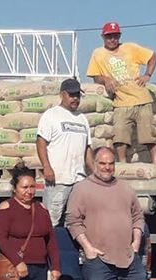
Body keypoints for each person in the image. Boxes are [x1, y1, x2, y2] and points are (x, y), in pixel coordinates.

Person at [65, 147, 147, 280]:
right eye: (102, 163)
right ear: (94, 164)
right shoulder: (82, 189)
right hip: (98, 257)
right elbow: (73, 221)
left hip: (127, 255)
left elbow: (138, 216)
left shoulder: (125, 188)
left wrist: (136, 239)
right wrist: (88, 247)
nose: (107, 167)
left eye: (110, 163)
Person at [86, 21, 156, 164]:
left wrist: (147, 75)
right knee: (119, 134)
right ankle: (122, 163)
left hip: (141, 98)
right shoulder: (98, 54)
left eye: (115, 36)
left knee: (148, 134)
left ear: (119, 36)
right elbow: (94, 76)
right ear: (103, 37)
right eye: (109, 36)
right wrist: (105, 79)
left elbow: (153, 56)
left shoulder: (130, 47)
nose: (112, 39)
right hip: (121, 101)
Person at [36, 78, 94, 226]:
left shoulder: (82, 119)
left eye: (78, 95)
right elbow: (41, 142)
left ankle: (71, 249)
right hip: (58, 179)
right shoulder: (51, 115)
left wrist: (94, 172)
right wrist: (46, 167)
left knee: (76, 221)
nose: (75, 99)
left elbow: (87, 148)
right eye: (72, 95)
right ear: (62, 94)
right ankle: (50, 249)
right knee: (51, 221)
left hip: (78, 180)